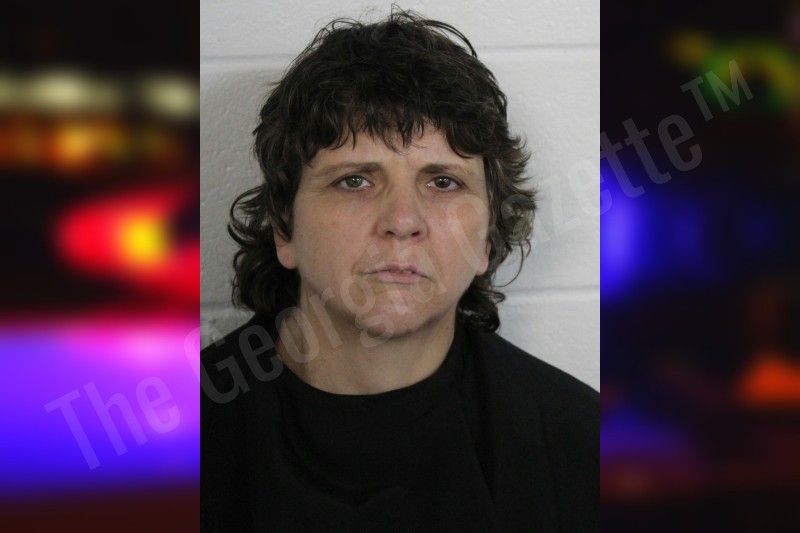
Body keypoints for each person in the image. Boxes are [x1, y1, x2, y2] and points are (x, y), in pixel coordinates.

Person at [201, 9, 598, 532]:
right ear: (283, 227)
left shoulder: (584, 447)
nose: (403, 221)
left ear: (487, 238)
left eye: (443, 182)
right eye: (355, 181)